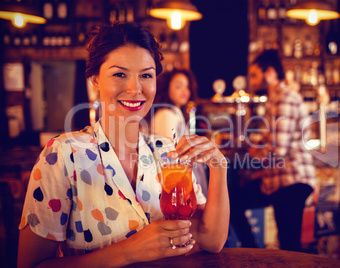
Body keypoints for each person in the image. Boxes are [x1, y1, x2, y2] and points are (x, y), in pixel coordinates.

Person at [17, 22, 229, 267]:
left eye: (146, 75)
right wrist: (129, 251)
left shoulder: (168, 152)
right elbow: (30, 265)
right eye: (119, 74)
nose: (134, 88)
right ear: (95, 79)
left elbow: (211, 240)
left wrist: (219, 166)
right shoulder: (63, 154)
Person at [229, 49, 315, 251]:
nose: (252, 81)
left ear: (270, 73)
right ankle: (253, 254)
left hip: (292, 181)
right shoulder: (276, 99)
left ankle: (253, 254)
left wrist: (254, 152)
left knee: (290, 247)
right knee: (234, 203)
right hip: (278, 181)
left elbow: (278, 151)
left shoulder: (284, 98)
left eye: (255, 75)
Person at [149, 68, 208, 196]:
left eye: (187, 87)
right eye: (178, 86)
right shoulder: (166, 114)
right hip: (178, 181)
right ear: (167, 88)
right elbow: (167, 155)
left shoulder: (174, 111)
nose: (185, 91)